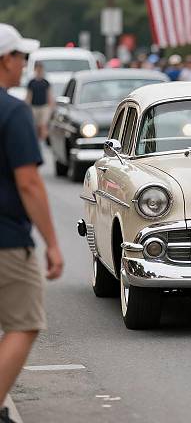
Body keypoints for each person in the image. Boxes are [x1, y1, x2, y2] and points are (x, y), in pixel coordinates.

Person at [0, 24, 64, 422]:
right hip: (6, 239)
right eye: (21, 56)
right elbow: (28, 182)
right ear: (6, 60)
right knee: (25, 323)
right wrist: (53, 244)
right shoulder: (12, 110)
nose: (25, 64)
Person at [26, 61, 53, 141]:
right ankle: (36, 140)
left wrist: (51, 107)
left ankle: (42, 141)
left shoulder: (45, 82)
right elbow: (29, 96)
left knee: (43, 125)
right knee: (35, 126)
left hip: (44, 107)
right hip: (34, 107)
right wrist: (27, 106)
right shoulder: (32, 82)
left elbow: (49, 95)